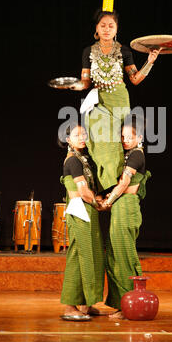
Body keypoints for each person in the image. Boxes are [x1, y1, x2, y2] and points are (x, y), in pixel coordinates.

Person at [79, 9, 161, 193]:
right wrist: (75, 86)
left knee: (118, 142)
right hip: (98, 102)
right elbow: (85, 82)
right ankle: (106, 186)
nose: (107, 29)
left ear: (117, 29)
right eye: (103, 26)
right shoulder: (88, 52)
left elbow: (135, 79)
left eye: (111, 26)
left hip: (119, 101)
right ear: (96, 29)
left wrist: (149, 62)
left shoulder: (124, 51)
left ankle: (118, 188)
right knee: (101, 140)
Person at [101, 116, 151, 319]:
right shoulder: (127, 155)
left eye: (129, 136)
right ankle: (122, 303)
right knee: (113, 256)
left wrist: (107, 202)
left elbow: (123, 184)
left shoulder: (137, 155)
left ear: (139, 137)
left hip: (126, 207)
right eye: (122, 136)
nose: (124, 140)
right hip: (119, 209)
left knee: (125, 257)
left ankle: (132, 304)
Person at [59, 123, 105, 321]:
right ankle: (70, 306)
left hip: (89, 211)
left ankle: (87, 304)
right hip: (80, 210)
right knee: (78, 256)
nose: (82, 137)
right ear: (68, 140)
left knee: (92, 255)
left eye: (84, 133)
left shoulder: (84, 159)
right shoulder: (73, 161)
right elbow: (84, 193)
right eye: (77, 135)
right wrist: (100, 204)